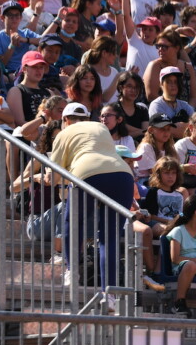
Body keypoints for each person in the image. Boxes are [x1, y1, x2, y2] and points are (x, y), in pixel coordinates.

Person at [49, 101, 137, 294]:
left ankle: (72, 270)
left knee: (72, 222)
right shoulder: (101, 127)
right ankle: (110, 294)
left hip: (87, 175)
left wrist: (45, 178)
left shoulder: (63, 133)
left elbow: (53, 176)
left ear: (65, 120)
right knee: (109, 238)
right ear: (88, 119)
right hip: (123, 176)